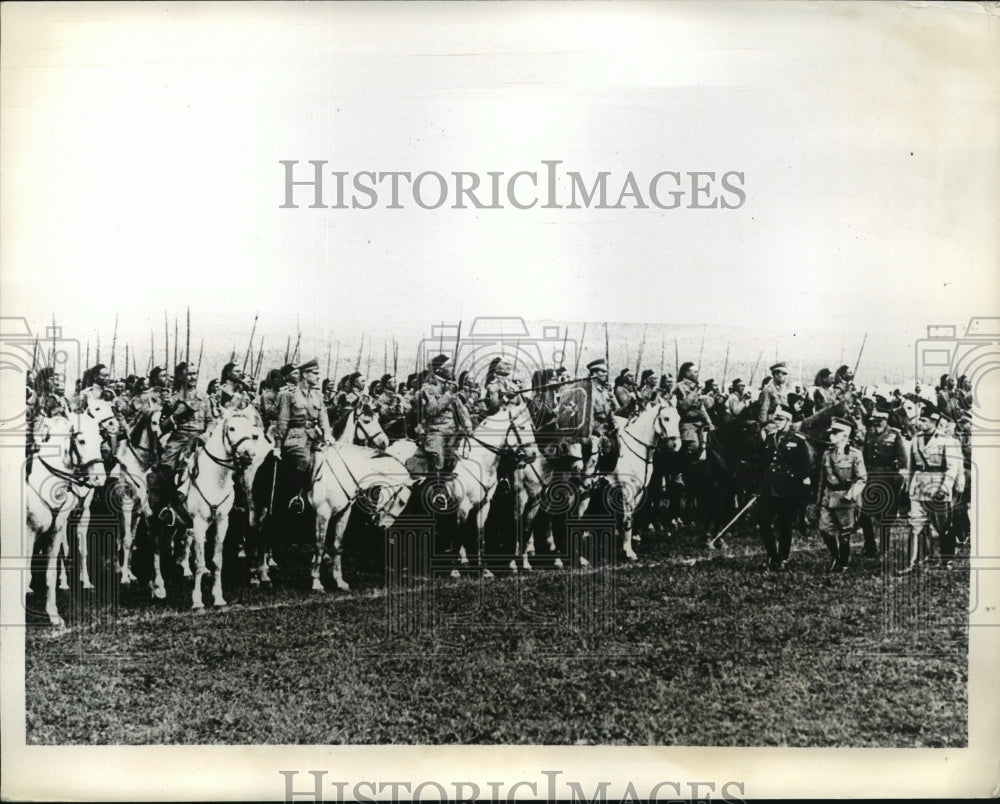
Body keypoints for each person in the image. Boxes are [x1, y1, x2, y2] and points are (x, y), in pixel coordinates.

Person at [149, 362, 216, 527]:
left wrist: (207, 433)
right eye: (189, 374)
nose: (192, 377)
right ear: (180, 376)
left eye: (194, 373)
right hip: (181, 438)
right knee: (168, 467)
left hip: (201, 438)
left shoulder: (205, 397)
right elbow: (162, 426)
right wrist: (176, 417)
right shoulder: (173, 399)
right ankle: (168, 507)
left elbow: (211, 420)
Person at [899, 407, 962, 573]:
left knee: (943, 527)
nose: (919, 423)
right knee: (915, 525)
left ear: (934, 422)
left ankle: (946, 560)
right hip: (919, 487)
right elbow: (911, 466)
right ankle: (912, 563)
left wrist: (945, 487)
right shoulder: (916, 439)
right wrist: (909, 485)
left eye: (924, 420)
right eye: (920, 420)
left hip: (938, 487)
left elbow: (952, 467)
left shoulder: (946, 440)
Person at [755, 405, 812, 571]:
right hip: (769, 486)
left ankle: (783, 557)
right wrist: (759, 485)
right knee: (763, 519)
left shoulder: (798, 441)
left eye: (781, 419)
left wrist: (802, 491)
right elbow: (762, 464)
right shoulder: (770, 438)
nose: (777, 423)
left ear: (789, 421)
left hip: (789, 488)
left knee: (785, 523)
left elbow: (804, 467)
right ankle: (772, 554)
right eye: (775, 420)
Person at [274, 358, 334, 514]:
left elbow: (324, 419)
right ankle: (296, 497)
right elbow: (283, 421)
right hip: (295, 438)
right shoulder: (288, 394)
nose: (318, 377)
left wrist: (327, 434)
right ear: (305, 374)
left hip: (314, 437)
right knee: (305, 460)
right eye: (314, 374)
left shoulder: (317, 396)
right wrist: (277, 446)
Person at [817, 417, 868, 572]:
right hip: (829, 496)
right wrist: (819, 500)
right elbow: (822, 479)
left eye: (835, 433)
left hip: (845, 497)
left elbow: (861, 478)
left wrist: (851, 495)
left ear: (845, 436)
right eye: (831, 433)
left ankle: (843, 563)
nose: (831, 436)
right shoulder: (827, 454)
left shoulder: (854, 454)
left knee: (845, 533)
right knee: (824, 529)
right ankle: (835, 555)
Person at [857, 409, 908, 557]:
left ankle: (884, 549)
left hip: (888, 478)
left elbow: (902, 458)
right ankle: (870, 545)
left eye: (880, 420)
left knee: (884, 516)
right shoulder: (869, 433)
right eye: (875, 420)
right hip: (871, 477)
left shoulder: (895, 434)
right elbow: (865, 456)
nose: (877, 423)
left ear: (886, 420)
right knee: (864, 514)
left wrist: (896, 470)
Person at [674, 362, 713, 459]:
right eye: (695, 372)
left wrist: (710, 422)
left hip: (700, 422)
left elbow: (701, 407)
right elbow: (683, 406)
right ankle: (678, 470)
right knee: (693, 446)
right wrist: (695, 392)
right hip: (687, 424)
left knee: (708, 446)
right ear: (687, 373)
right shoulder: (679, 387)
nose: (697, 374)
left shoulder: (696, 386)